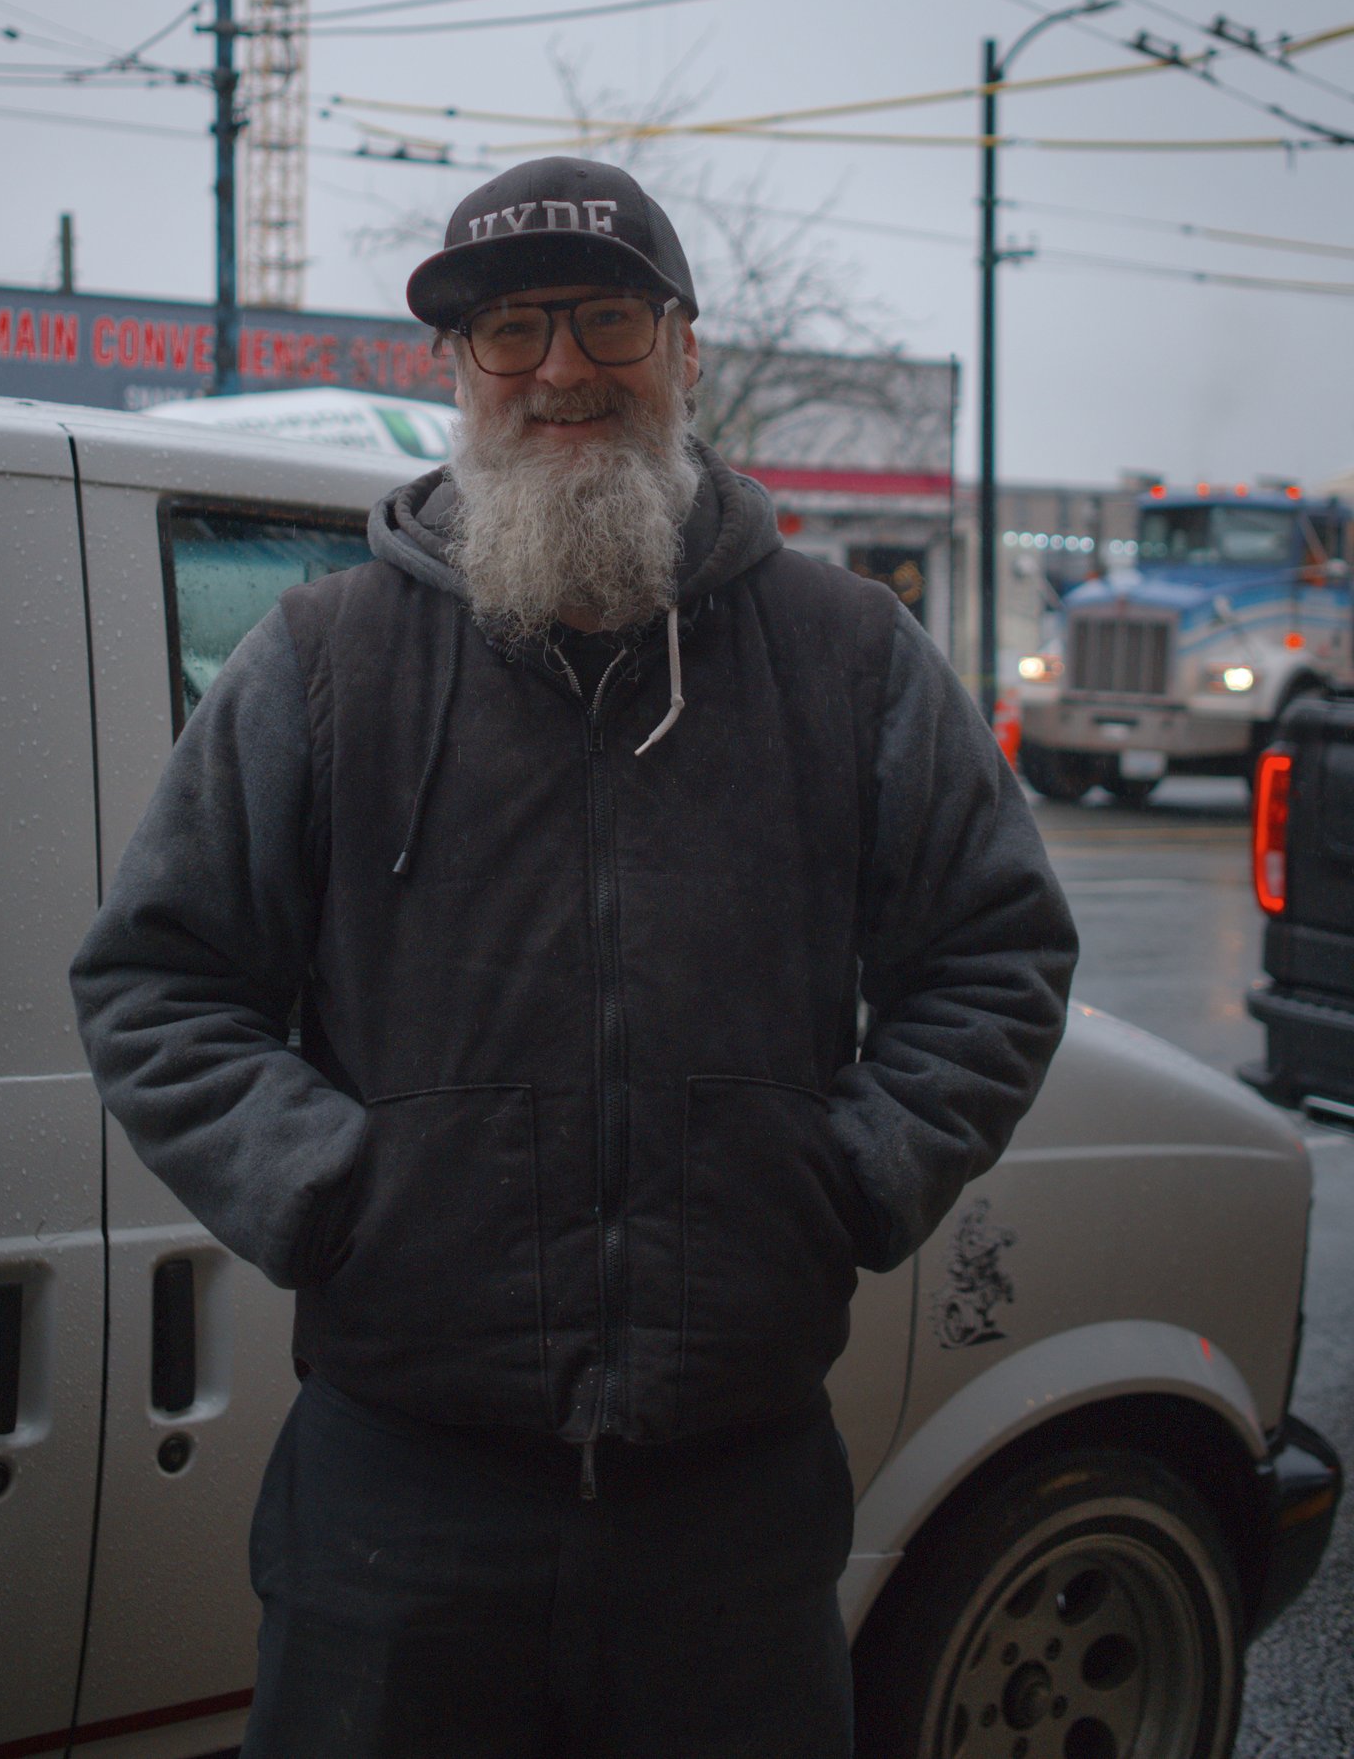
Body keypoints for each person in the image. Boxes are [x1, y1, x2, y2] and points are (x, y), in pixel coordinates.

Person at [72, 155, 1078, 1759]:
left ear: (681, 348)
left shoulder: (845, 657)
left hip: (733, 1512)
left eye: (605, 318)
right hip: (397, 1502)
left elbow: (997, 950)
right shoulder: (327, 664)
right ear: (453, 369)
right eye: (511, 329)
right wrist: (331, 1183)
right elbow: (156, 979)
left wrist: (851, 1171)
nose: (560, 370)